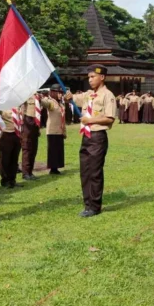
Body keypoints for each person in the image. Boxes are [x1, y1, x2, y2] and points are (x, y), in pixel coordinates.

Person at [64, 64, 118, 217]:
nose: (90, 80)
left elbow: (109, 118)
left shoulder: (108, 95)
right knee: (85, 171)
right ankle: (87, 204)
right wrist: (69, 96)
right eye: (88, 77)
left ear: (102, 77)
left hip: (97, 137)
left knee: (94, 172)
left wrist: (91, 120)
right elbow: (74, 98)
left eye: (93, 76)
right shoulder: (88, 94)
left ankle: (95, 206)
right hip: (86, 136)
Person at [42, 84, 67, 175]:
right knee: (53, 150)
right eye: (59, 93)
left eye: (61, 93)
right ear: (54, 93)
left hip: (60, 130)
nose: (61, 95)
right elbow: (45, 103)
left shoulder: (60, 103)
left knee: (59, 150)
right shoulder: (51, 101)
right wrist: (41, 98)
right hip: (52, 130)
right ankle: (53, 168)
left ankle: (56, 167)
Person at [0, 108, 23, 188]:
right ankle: (5, 180)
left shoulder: (17, 105)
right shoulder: (2, 105)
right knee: (5, 159)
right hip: (6, 133)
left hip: (16, 134)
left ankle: (12, 179)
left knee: (14, 158)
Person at [21, 92, 42, 181]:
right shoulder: (25, 95)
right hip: (27, 121)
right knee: (27, 148)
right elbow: (21, 108)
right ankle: (25, 172)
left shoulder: (37, 96)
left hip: (35, 123)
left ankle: (30, 171)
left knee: (34, 148)